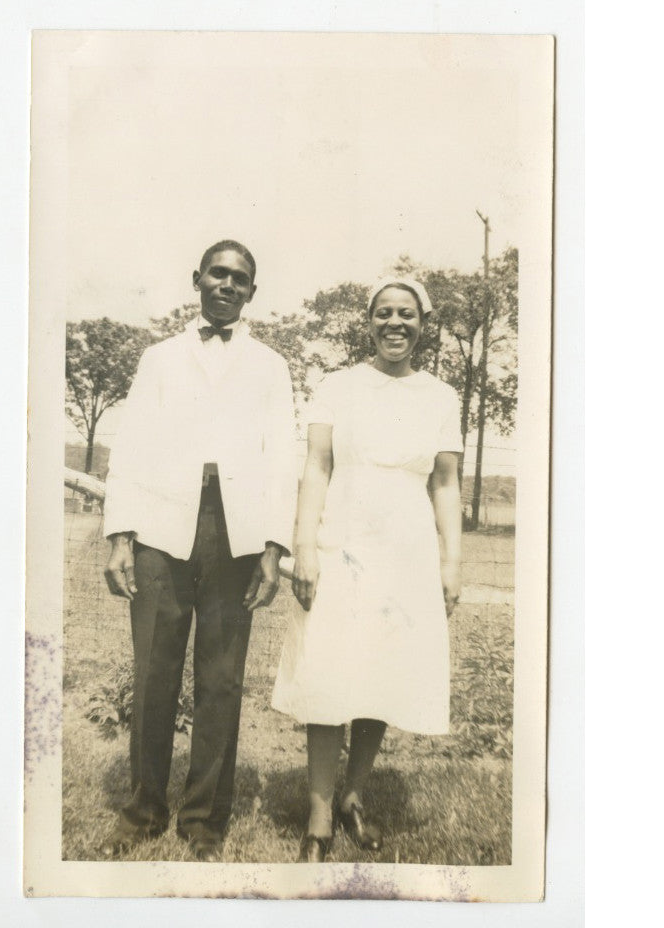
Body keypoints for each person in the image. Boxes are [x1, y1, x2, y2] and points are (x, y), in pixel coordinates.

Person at [102, 240, 297, 861]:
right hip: (162, 526)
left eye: (241, 278)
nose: (228, 284)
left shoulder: (271, 366)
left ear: (251, 292)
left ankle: (204, 820)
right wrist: (121, 536)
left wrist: (272, 547)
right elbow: (130, 446)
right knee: (155, 672)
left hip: (234, 533)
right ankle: (143, 809)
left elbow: (280, 459)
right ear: (197, 279)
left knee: (221, 679)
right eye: (218, 273)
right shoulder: (159, 359)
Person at [271, 277, 463, 862]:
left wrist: (450, 563)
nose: (395, 324)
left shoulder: (441, 397)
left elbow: (447, 484)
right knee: (329, 669)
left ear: (423, 324)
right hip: (341, 542)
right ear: (370, 322)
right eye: (384, 314)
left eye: (407, 314)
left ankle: (354, 796)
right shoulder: (336, 386)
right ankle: (320, 810)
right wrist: (304, 547)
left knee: (382, 670)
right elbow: (316, 467)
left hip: (405, 551)